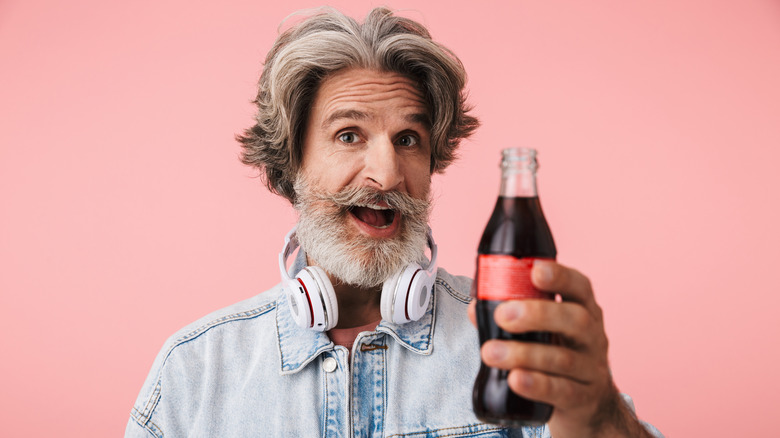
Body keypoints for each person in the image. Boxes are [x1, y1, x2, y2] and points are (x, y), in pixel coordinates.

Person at [126, 7, 662, 438]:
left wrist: (598, 419)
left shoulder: (512, 347)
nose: (386, 174)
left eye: (408, 140)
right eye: (349, 135)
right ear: (291, 163)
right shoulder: (192, 373)